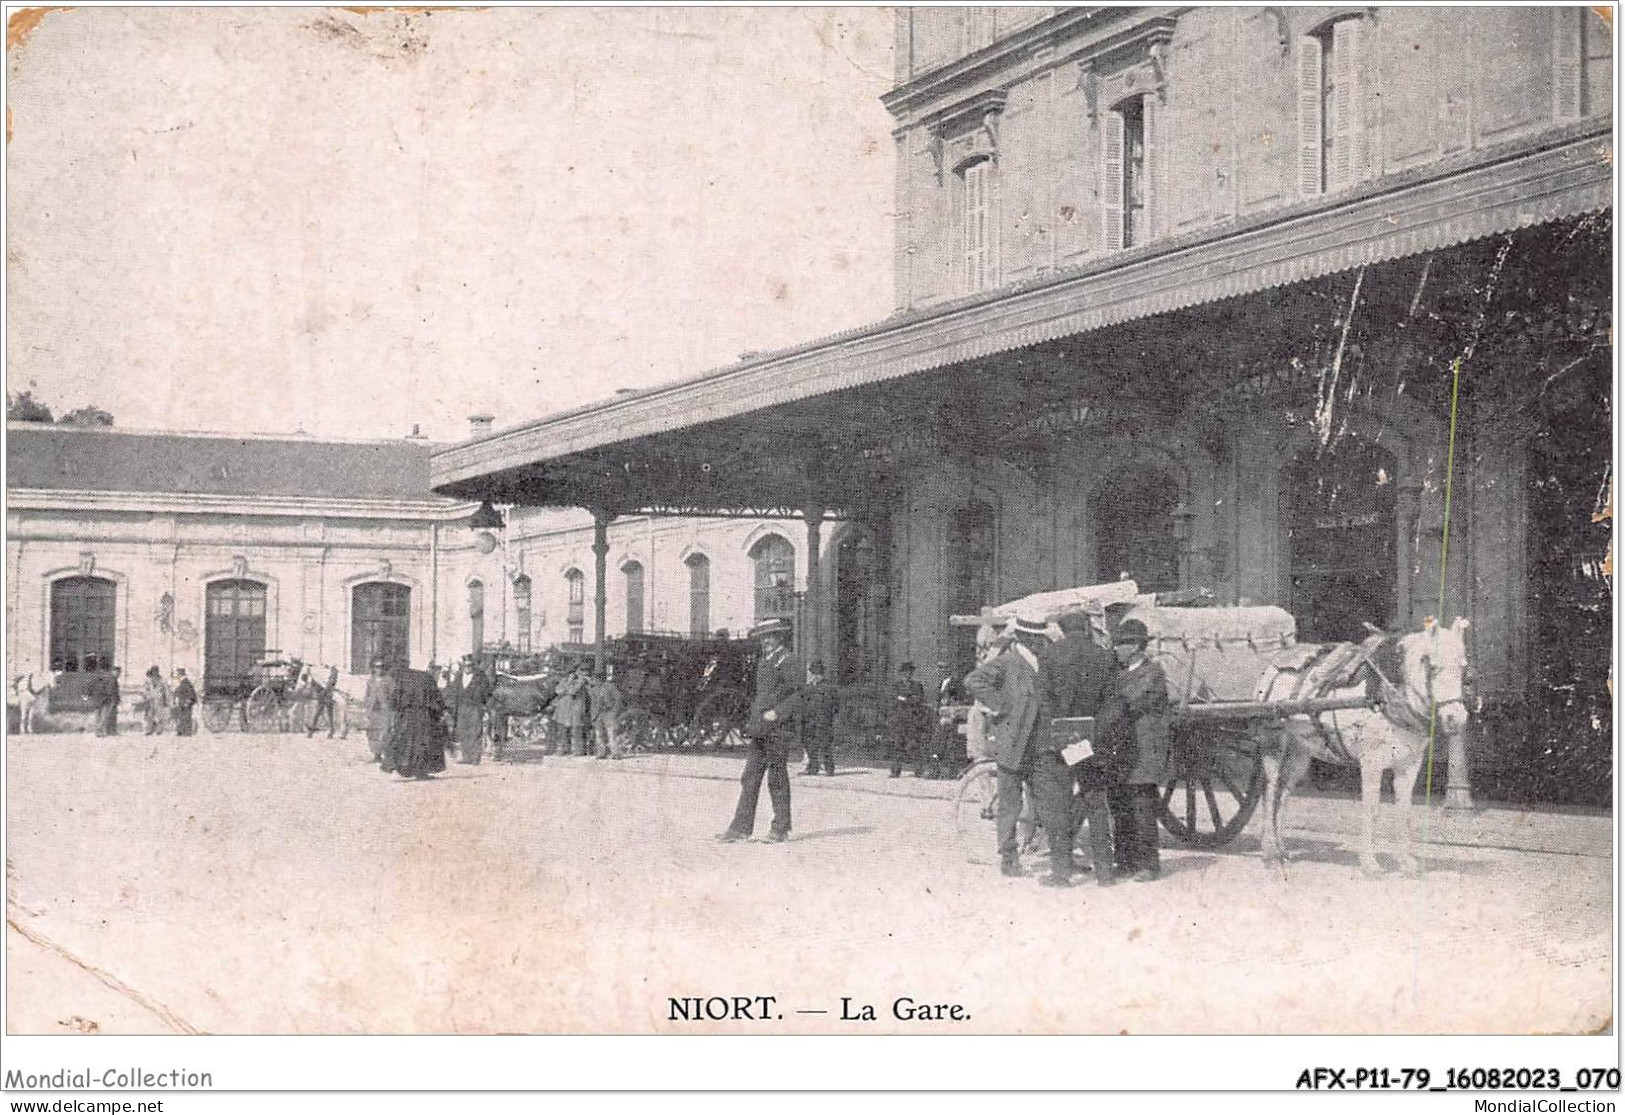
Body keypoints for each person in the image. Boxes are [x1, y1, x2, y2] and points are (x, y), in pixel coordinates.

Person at [965, 618, 1075, 886]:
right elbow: (974, 680)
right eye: (1036, 638)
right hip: (1012, 744)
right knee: (1009, 806)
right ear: (1024, 638)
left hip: (1041, 747)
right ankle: (1008, 856)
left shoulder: (1046, 661)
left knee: (1049, 805)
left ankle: (1058, 865)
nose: (1041, 642)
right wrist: (1002, 706)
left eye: (1042, 637)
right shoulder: (1008, 662)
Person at [1040, 611, 1120, 886]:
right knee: (1096, 805)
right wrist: (1091, 735)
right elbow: (1114, 706)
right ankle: (1105, 874)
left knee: (1059, 807)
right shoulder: (1104, 656)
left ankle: (1061, 875)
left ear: (1062, 630)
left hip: (1060, 744)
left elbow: (1045, 702)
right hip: (1092, 743)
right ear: (1086, 627)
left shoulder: (1049, 656)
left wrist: (1060, 733)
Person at [1099, 618, 1172, 883]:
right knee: (1119, 805)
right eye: (1116, 643)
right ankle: (1125, 860)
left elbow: (1127, 703)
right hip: (1122, 751)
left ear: (1136, 647)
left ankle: (1148, 864)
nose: (1116, 648)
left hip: (1144, 751)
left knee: (1142, 807)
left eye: (1121, 644)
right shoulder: (1119, 672)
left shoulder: (1152, 673)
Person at [717, 618, 801, 843]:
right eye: (763, 637)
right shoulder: (765, 661)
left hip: (778, 730)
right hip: (761, 730)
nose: (766, 641)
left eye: (770, 636)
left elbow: (799, 694)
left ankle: (780, 828)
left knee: (777, 778)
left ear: (780, 637)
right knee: (750, 777)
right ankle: (740, 828)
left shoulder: (788, 660)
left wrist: (778, 712)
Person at [382, 665, 448, 780]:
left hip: (407, 717)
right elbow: (436, 699)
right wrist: (439, 711)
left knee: (404, 742)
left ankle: (398, 770)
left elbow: (395, 699)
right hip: (424, 717)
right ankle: (420, 771)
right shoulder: (428, 679)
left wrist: (397, 711)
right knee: (423, 744)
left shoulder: (404, 678)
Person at [927, 659, 968, 780]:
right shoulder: (941, 683)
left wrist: (950, 710)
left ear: (949, 669)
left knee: (951, 745)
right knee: (937, 744)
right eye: (940, 668)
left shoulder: (956, 683)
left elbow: (958, 701)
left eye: (944, 668)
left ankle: (951, 772)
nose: (941, 670)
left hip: (950, 718)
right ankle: (935, 771)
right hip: (940, 718)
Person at [887, 661, 929, 778]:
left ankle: (919, 770)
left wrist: (904, 699)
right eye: (905, 672)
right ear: (901, 673)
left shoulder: (917, 686)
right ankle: (895, 770)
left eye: (910, 672)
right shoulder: (896, 686)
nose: (908, 674)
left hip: (912, 719)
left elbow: (918, 700)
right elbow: (894, 700)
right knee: (898, 745)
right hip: (899, 720)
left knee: (913, 744)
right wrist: (908, 699)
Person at [798, 660, 839, 776]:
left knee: (825, 745)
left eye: (814, 673)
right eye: (812, 673)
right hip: (810, 721)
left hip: (823, 721)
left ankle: (829, 768)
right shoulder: (808, 688)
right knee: (810, 745)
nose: (812, 676)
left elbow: (836, 705)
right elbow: (803, 704)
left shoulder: (829, 688)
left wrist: (831, 718)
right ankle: (813, 767)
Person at [453, 656, 492, 764]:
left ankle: (475, 758)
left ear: (473, 666)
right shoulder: (458, 676)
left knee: (475, 731)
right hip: (461, 707)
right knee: (463, 731)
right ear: (463, 666)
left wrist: (482, 704)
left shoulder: (480, 676)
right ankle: (466, 757)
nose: (467, 668)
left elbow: (487, 691)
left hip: (475, 707)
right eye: (465, 666)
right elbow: (454, 691)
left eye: (470, 665)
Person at [552, 664, 591, 756]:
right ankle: (563, 749)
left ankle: (578, 750)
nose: (573, 674)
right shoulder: (565, 680)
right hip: (564, 710)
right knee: (563, 731)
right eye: (571, 672)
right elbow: (558, 691)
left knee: (576, 731)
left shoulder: (582, 681)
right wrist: (568, 683)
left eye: (574, 671)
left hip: (576, 710)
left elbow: (573, 691)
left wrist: (568, 685)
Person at [362, 658, 394, 763]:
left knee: (384, 732)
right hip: (373, 710)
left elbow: (393, 695)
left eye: (380, 667)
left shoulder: (389, 680)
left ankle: (387, 756)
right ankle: (377, 755)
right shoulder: (371, 680)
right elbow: (367, 694)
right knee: (373, 732)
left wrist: (388, 704)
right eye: (376, 667)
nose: (378, 669)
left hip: (384, 711)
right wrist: (367, 705)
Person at [590, 666, 624, 759]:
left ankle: (616, 753)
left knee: (611, 733)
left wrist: (614, 711)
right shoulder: (594, 689)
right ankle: (601, 753)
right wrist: (593, 716)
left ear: (601, 679)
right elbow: (593, 704)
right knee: (599, 734)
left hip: (609, 713)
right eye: (594, 678)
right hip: (598, 714)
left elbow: (618, 699)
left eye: (597, 678)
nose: (595, 680)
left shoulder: (610, 686)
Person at [306, 665, 341, 739]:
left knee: (329, 713)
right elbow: (314, 683)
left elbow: (331, 683)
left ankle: (331, 730)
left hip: (328, 694)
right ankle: (311, 731)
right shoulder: (319, 671)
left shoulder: (333, 671)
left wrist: (324, 691)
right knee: (318, 713)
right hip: (322, 694)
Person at [141, 666, 170, 735]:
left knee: (159, 716)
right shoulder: (148, 680)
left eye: (156, 672)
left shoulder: (162, 680)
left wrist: (166, 700)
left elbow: (166, 691)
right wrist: (145, 696)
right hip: (150, 700)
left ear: (158, 672)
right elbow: (145, 689)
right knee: (149, 715)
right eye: (153, 672)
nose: (154, 674)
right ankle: (148, 730)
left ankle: (158, 730)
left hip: (159, 700)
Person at [171, 668, 198, 736]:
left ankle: (186, 732)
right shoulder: (183, 682)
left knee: (186, 717)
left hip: (186, 702)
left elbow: (190, 692)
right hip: (183, 702)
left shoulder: (185, 682)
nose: (177, 676)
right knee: (182, 717)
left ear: (180, 674)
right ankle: (182, 731)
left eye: (178, 674)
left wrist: (188, 701)